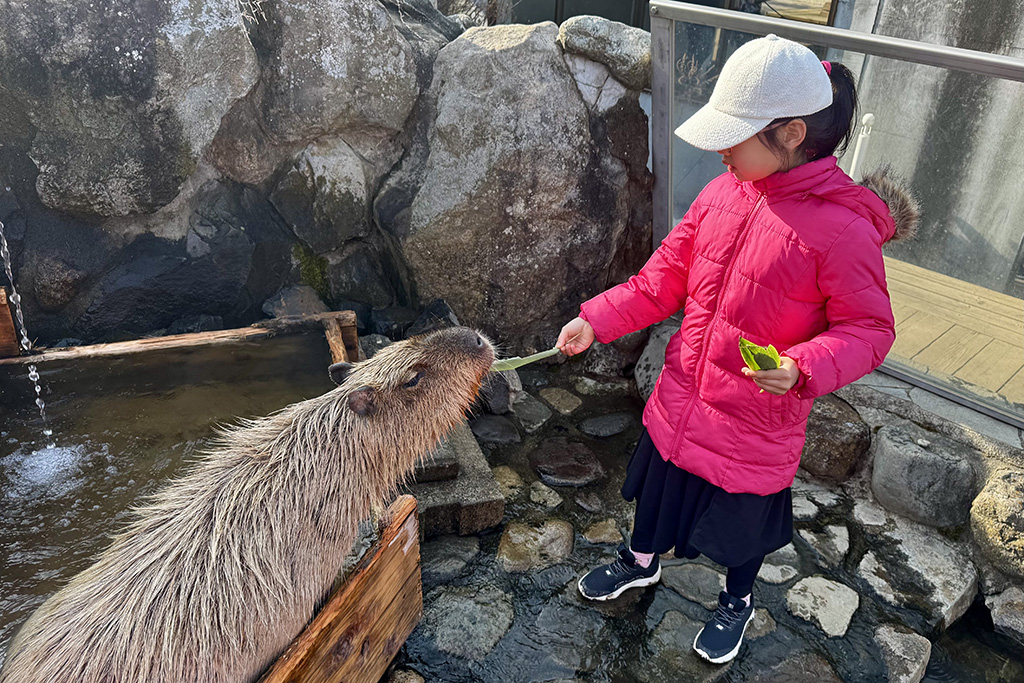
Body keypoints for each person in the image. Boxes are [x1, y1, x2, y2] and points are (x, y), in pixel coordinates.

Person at [557, 34, 917, 665]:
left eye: (735, 135)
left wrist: (803, 367)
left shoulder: (844, 231)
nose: (722, 147)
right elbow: (661, 280)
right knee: (658, 490)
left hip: (756, 417)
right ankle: (639, 561)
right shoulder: (722, 194)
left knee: (742, 526)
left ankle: (737, 601)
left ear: (792, 134)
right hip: (683, 397)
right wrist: (597, 320)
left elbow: (870, 330)